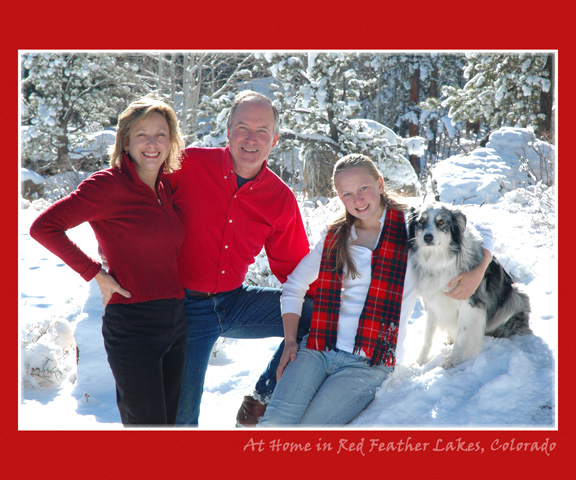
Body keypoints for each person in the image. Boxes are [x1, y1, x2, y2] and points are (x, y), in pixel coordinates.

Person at [258, 154, 494, 426]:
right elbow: (294, 287)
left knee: (310, 431)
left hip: (369, 363)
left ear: (380, 184)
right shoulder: (335, 236)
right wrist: (290, 341)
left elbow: (483, 230)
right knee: (273, 424)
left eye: (363, 188)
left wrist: (478, 272)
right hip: (317, 348)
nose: (357, 200)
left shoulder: (411, 225)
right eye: (347, 193)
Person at [30, 97, 187, 426]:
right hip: (134, 325)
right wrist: (96, 274)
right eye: (142, 134)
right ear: (126, 141)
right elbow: (44, 228)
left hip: (175, 323)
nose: (152, 143)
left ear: (171, 141)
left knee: (171, 429)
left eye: (161, 134)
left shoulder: (165, 189)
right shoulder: (108, 185)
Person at [168, 90, 315, 426]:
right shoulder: (187, 165)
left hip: (234, 303)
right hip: (183, 309)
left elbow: (296, 270)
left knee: (318, 315)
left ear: (275, 140)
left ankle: (260, 402)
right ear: (228, 131)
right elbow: (139, 200)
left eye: (262, 131)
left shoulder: (279, 198)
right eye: (243, 128)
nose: (252, 139)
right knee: (180, 418)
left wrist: (346, 301)